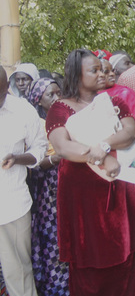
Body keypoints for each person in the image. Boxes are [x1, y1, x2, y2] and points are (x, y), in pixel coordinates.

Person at [47, 49, 135, 296]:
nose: (102, 74)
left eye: (102, 69)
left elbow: (129, 133)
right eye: (94, 70)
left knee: (124, 254)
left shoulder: (115, 100)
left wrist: (103, 146)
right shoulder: (60, 108)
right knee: (88, 258)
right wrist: (103, 159)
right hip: (82, 196)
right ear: (76, 75)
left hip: (118, 188)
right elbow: (63, 147)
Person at [0, 65, 47, 296]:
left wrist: (18, 158)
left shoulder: (22, 110)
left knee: (17, 270)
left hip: (11, 205)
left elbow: (40, 147)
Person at [26, 78, 69, 295]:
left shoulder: (66, 120)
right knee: (53, 239)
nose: (56, 98)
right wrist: (57, 158)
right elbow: (34, 161)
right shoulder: (35, 124)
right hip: (47, 193)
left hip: (68, 185)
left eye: (58, 93)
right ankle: (55, 287)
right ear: (37, 99)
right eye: (50, 95)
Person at [100, 59, 135, 124]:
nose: (112, 74)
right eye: (106, 72)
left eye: (112, 71)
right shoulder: (92, 95)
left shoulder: (125, 92)